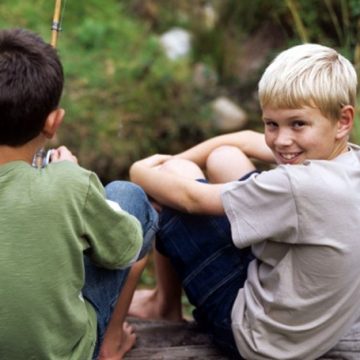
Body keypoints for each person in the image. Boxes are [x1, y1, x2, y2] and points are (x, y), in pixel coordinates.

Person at [129, 43, 360, 359]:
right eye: (271, 124)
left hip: (257, 338)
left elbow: (190, 198)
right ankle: (164, 300)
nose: (281, 140)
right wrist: (179, 159)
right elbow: (245, 141)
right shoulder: (347, 162)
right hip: (309, 322)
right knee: (226, 158)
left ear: (343, 120)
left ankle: (164, 303)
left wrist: (141, 169)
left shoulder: (298, 186)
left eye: (297, 124)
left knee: (173, 178)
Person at [0, 28, 158, 360]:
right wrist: (69, 173)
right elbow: (124, 250)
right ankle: (109, 344)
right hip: (63, 353)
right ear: (53, 123)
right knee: (129, 197)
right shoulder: (69, 182)